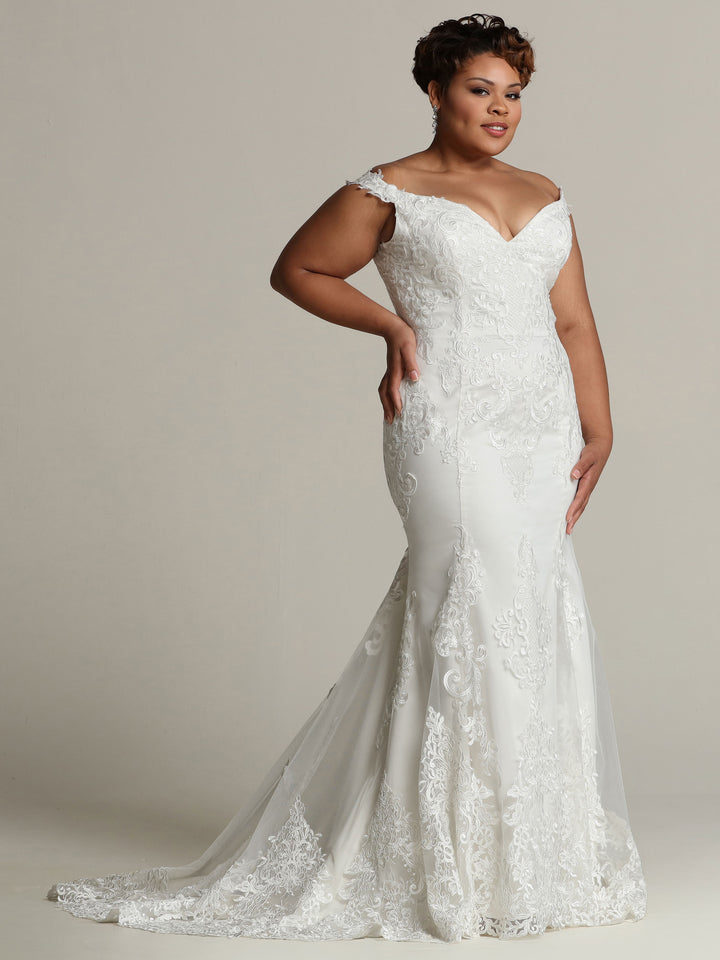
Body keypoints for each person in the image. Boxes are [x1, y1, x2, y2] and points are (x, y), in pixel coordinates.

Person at [46, 13, 647, 940]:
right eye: (480, 90)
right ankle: (439, 859)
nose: (500, 109)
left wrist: (599, 424)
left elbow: (573, 322)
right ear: (437, 92)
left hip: (539, 427)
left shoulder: (545, 193)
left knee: (530, 605)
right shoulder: (390, 189)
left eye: (514, 94)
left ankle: (521, 854)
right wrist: (393, 326)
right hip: (447, 421)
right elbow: (299, 269)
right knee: (470, 600)